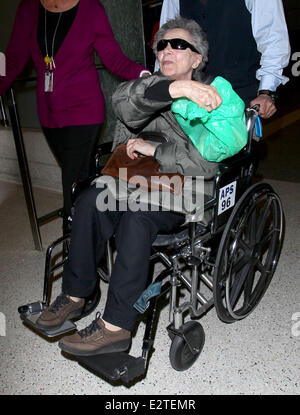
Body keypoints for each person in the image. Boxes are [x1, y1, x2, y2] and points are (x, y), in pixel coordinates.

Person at [35, 16, 237, 357]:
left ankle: (116, 326)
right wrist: (176, 88)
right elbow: (122, 102)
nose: (167, 50)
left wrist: (156, 149)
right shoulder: (147, 89)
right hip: (135, 181)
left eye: (179, 45)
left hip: (182, 191)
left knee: (137, 218)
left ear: (197, 58)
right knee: (89, 200)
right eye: (162, 45)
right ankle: (75, 294)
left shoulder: (215, 97)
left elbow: (209, 162)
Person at [0, 0, 150, 231]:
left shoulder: (91, 8)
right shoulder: (28, 8)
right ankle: (102, 233)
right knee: (83, 181)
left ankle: (75, 250)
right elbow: (13, 57)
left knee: (72, 183)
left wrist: (142, 73)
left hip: (85, 110)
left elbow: (113, 57)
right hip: (48, 113)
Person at [157, 0, 291, 119]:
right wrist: (159, 85)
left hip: (240, 94)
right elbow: (164, 40)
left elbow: (273, 39)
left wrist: (266, 91)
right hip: (189, 96)